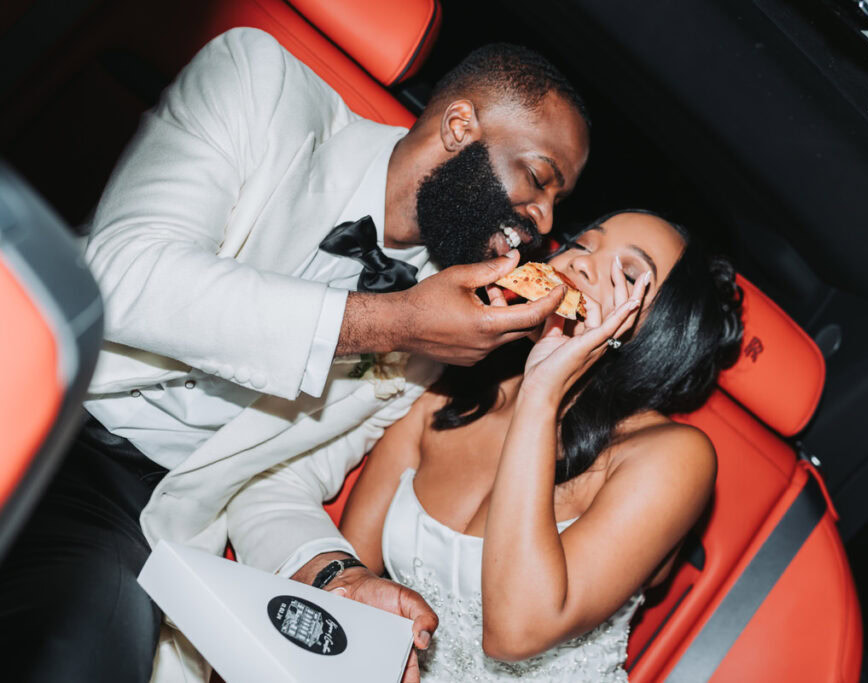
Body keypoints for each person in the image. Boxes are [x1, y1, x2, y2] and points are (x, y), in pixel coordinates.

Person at [0, 27, 589, 683]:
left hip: (129, 508)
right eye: (539, 178)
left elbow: (273, 481)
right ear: (459, 127)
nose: (542, 218)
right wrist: (392, 322)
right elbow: (125, 275)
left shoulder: (444, 327)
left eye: (555, 203)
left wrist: (335, 575)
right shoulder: (261, 83)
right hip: (35, 389)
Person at [247, 210, 745, 680]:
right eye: (578, 245)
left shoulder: (674, 456)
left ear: (662, 332)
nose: (575, 261)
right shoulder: (448, 391)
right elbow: (352, 586)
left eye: (628, 273)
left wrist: (542, 389)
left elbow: (516, 632)